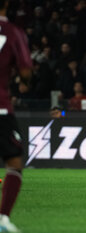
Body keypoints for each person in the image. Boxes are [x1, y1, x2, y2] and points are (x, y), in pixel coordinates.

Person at [0, 0, 33, 231]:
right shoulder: (12, 31)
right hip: (0, 108)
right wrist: (23, 82)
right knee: (14, 161)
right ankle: (2, 219)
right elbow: (25, 69)